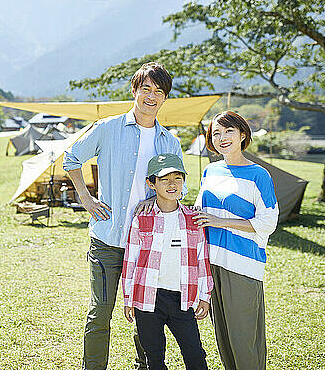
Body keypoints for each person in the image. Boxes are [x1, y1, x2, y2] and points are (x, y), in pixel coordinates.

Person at [63, 62, 185, 370]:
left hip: (147, 243)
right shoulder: (107, 128)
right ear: (134, 90)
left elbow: (174, 187)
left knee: (147, 313)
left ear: (165, 98)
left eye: (159, 91)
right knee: (100, 311)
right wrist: (86, 197)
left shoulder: (169, 142)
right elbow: (71, 157)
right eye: (146, 89)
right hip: (107, 239)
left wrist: (156, 198)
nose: (151, 97)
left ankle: (145, 365)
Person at [193, 111, 279, 370]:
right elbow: (199, 212)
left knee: (244, 340)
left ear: (243, 135)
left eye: (228, 131)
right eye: (216, 133)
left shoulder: (259, 175)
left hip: (242, 265)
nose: (222, 138)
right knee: (224, 338)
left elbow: (268, 222)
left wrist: (221, 221)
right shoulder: (210, 170)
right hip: (212, 263)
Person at [122, 153, 212, 370]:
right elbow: (130, 261)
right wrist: (128, 298)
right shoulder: (141, 219)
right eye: (164, 179)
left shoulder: (194, 219)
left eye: (177, 178)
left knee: (195, 354)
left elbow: (202, 261)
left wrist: (205, 296)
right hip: (148, 298)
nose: (172, 184)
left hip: (182, 299)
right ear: (151, 184)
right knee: (154, 355)